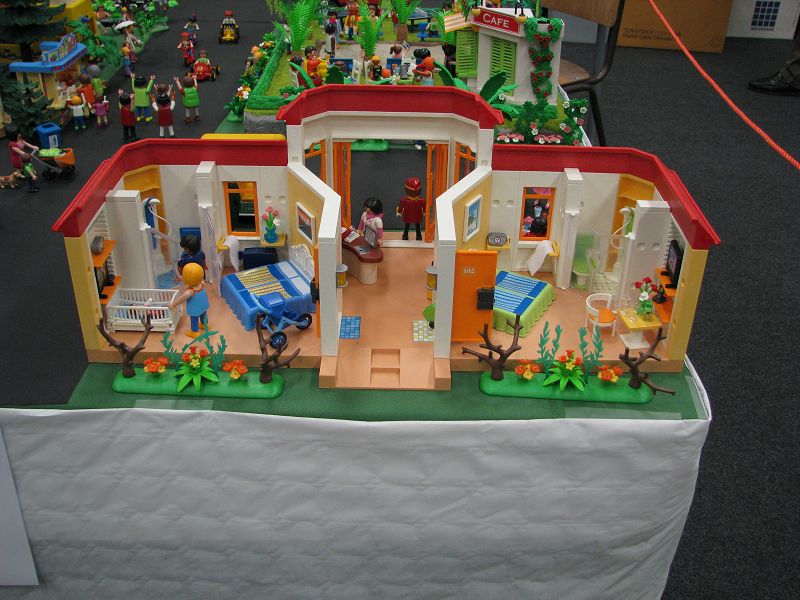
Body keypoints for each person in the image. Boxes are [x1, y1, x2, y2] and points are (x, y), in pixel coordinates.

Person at [169, 262, 208, 338]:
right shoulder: (202, 283)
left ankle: (194, 332)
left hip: (195, 308)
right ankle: (204, 324)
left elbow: (181, 299)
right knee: (203, 315)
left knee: (194, 318)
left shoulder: (190, 291)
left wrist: (173, 304)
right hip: (203, 305)